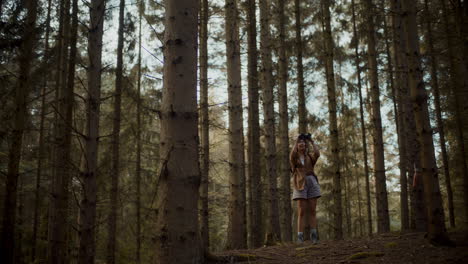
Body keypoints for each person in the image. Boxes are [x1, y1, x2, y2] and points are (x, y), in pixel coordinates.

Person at [290, 133, 321, 243]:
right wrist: (297, 139)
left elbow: (317, 153)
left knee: (312, 210)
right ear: (297, 146)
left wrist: (311, 140)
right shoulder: (294, 158)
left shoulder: (310, 157)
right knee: (301, 211)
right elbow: (293, 153)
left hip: (312, 182)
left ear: (306, 145)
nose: (301, 144)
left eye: (303, 142)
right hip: (300, 184)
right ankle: (300, 238)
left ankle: (314, 237)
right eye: (299, 143)